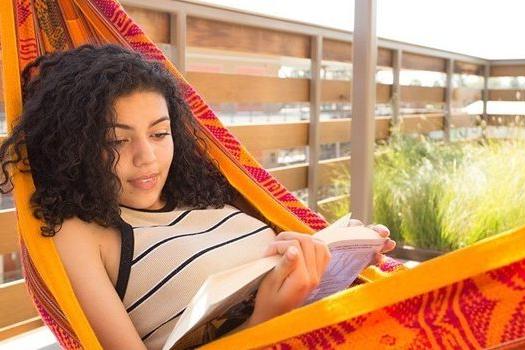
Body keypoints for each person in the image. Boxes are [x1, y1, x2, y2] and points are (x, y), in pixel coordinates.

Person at [0, 44, 396, 349]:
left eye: (159, 133)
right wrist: (267, 317)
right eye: (116, 140)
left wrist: (341, 261)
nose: (147, 157)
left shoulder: (203, 191)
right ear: (74, 147)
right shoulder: (80, 232)